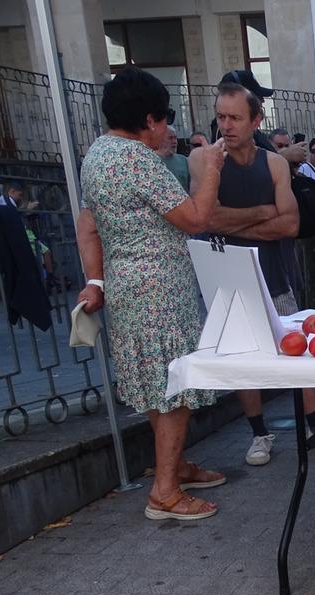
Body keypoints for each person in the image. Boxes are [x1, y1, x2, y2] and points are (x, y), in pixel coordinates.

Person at [76, 66, 226, 520]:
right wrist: (209, 169)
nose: (165, 126)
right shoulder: (138, 160)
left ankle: (173, 467)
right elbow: (196, 218)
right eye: (163, 117)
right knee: (175, 386)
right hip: (160, 288)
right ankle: (165, 492)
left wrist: (96, 280)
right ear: (148, 119)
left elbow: (88, 226)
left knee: (155, 384)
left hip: (126, 288)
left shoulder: (97, 155)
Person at [196, 81, 315, 465]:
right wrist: (262, 214)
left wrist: (230, 224)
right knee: (241, 356)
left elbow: (288, 225)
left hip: (277, 272)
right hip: (228, 275)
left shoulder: (273, 163)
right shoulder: (204, 160)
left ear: (256, 120)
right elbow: (205, 217)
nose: (227, 125)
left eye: (235, 117)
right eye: (221, 117)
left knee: (296, 351)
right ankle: (258, 434)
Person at [157, 127, 190, 191]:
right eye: (170, 138)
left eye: (175, 138)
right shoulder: (152, 160)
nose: (174, 141)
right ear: (160, 139)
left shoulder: (183, 160)